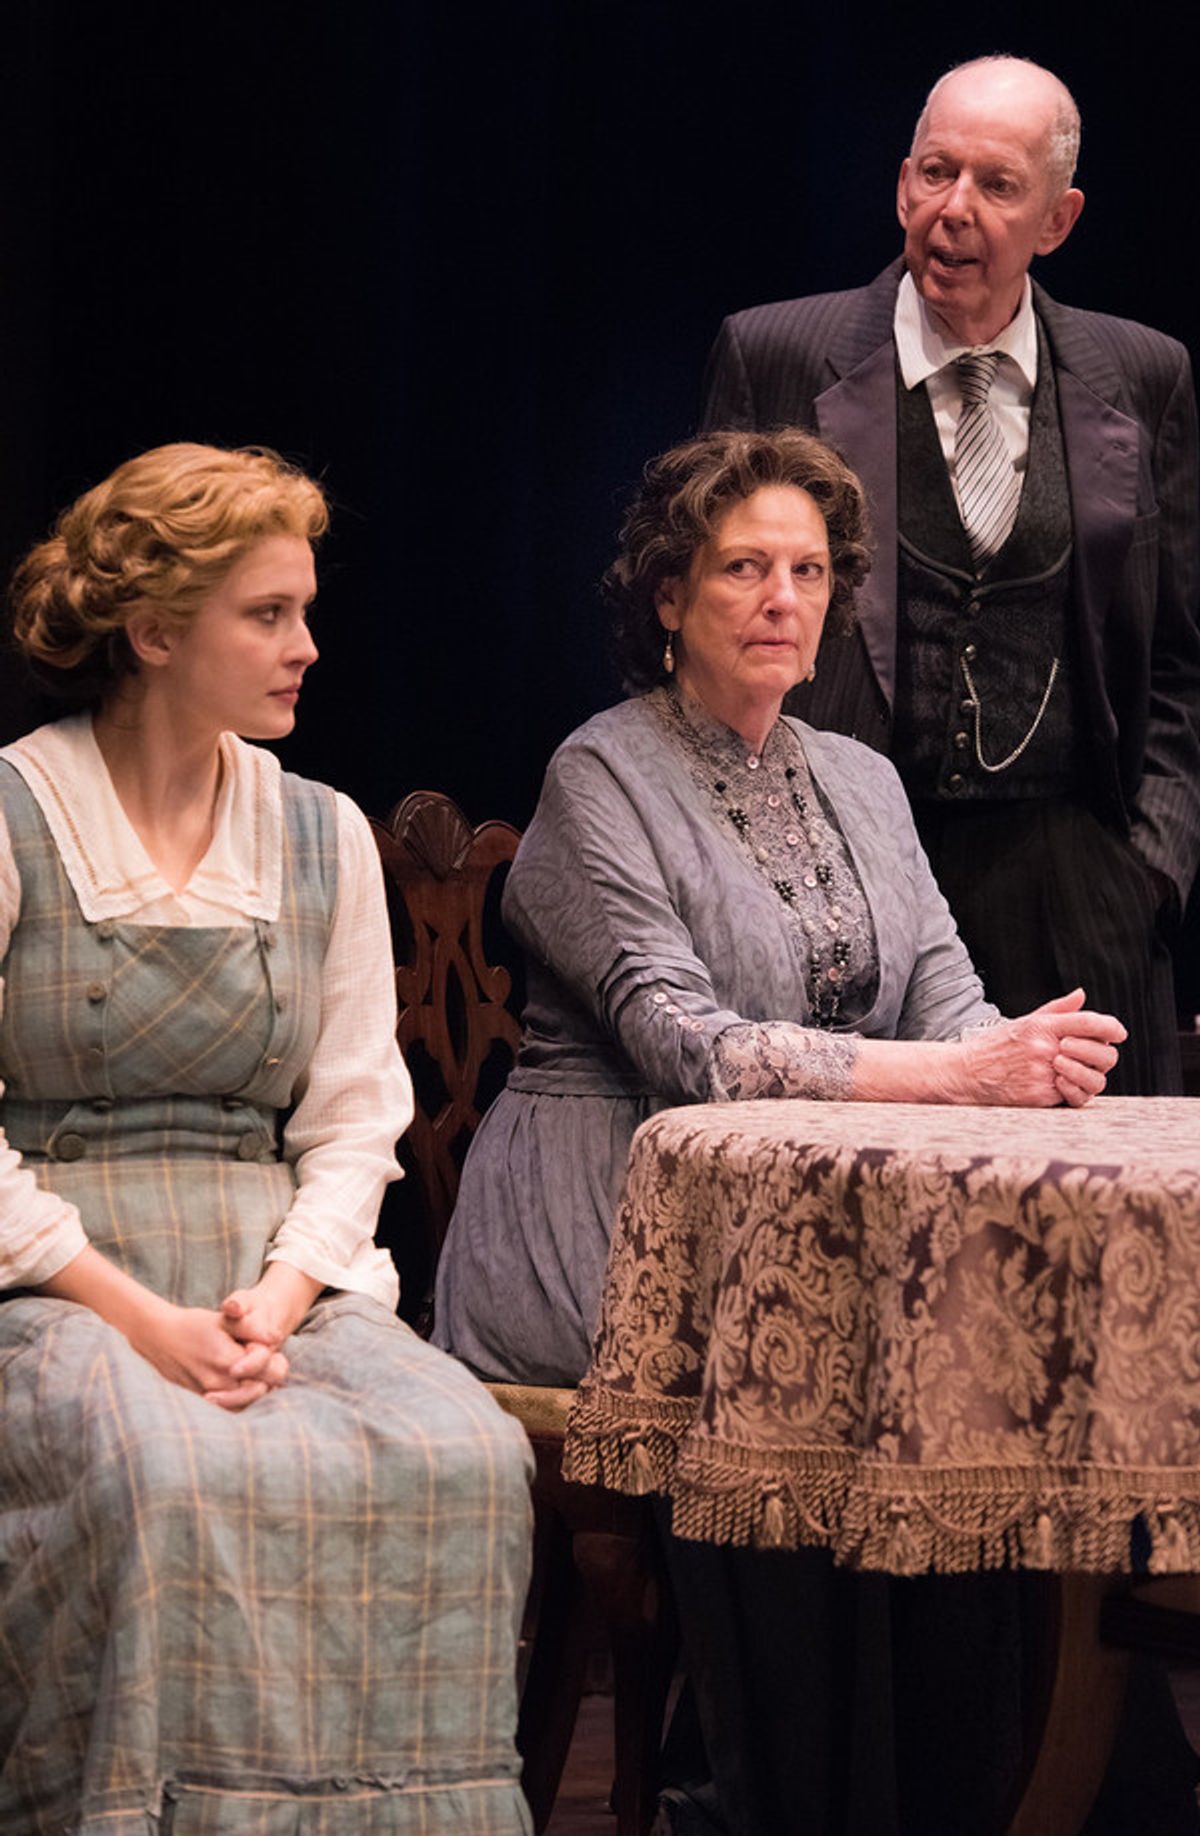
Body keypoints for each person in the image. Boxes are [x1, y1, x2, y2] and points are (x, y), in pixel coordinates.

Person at [0, 444, 533, 1834]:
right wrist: (143, 1321)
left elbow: (355, 1113)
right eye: (268, 615)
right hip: (55, 1280)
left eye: (305, 610)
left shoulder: (319, 834)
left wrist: (281, 1299)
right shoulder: (13, 817)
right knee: (159, 1468)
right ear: (154, 630)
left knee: (464, 1453)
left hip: (271, 1270)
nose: (307, 648)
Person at [433, 426, 1123, 1393]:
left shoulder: (864, 777)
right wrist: (964, 1072)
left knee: (1035, 1339)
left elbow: (949, 1009)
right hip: (616, 1219)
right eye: (743, 568)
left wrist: (1028, 1056)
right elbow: (692, 1048)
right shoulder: (599, 773)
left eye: (808, 571)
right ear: (668, 596)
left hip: (813, 1209)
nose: (782, 599)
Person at [701, 54, 1200, 1097]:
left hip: (1075, 897)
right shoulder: (776, 355)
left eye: (996, 185)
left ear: (1057, 220)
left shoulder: (1144, 376)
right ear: (902, 185)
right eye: (936, 173)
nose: (954, 209)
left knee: (1092, 1198)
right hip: (837, 885)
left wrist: (1148, 872)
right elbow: (707, 628)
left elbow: (1176, 667)